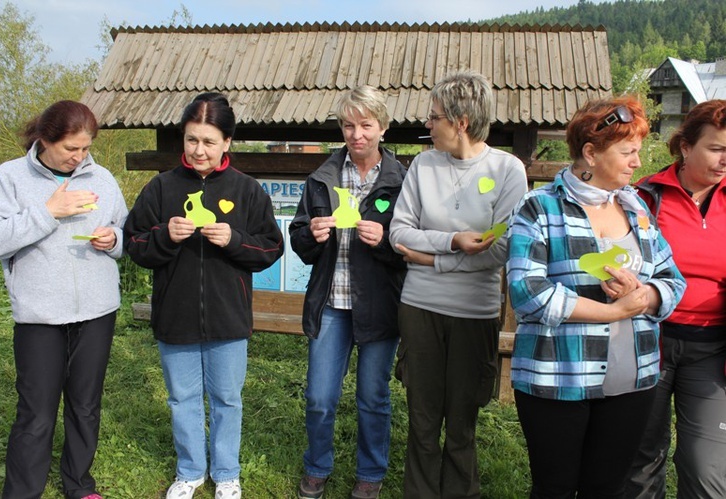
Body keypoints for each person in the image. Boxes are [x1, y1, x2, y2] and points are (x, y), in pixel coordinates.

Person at [506, 96, 687, 498]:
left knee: (607, 488)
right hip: (558, 379)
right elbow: (527, 292)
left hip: (633, 378)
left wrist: (646, 295)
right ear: (591, 152)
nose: (637, 163)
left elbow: (672, 278)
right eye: (627, 152)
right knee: (555, 488)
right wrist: (614, 312)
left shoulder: (637, 207)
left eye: (638, 152)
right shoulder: (539, 208)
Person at [124, 92, 283, 499]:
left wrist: (234, 239)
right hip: (174, 315)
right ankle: (191, 470)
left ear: (227, 142)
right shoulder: (160, 188)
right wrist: (164, 236)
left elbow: (271, 248)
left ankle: (227, 472)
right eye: (192, 140)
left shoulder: (247, 191)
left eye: (209, 142)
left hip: (228, 317)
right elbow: (134, 243)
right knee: (182, 398)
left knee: (227, 399)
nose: (199, 150)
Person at [0, 100, 127, 499]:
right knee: (37, 414)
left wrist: (114, 240)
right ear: (45, 140)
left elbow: (122, 227)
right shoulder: (11, 177)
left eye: (85, 148)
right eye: (70, 149)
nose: (79, 158)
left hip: (97, 311)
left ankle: (79, 485)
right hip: (39, 314)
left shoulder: (103, 177)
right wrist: (47, 211)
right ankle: (23, 492)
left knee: (84, 406)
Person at [389, 70, 528, 498]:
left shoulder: (508, 170)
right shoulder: (422, 165)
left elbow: (501, 249)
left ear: (461, 120)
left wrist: (430, 259)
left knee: (462, 422)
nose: (427, 125)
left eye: (434, 117)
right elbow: (398, 233)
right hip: (420, 309)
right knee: (423, 421)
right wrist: (451, 241)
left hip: (474, 313)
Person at [288, 85, 407, 499]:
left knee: (373, 397)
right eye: (349, 125)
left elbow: (412, 248)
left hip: (378, 306)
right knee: (320, 396)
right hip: (331, 305)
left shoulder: (401, 181)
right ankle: (317, 466)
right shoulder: (321, 178)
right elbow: (299, 241)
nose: (357, 134)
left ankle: (370, 474)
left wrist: (387, 239)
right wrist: (312, 234)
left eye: (366, 125)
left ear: (383, 128)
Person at [625, 99, 726, 498]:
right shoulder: (645, 197)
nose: (724, 160)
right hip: (650, 342)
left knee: (707, 469)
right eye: (716, 148)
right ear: (685, 147)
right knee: (640, 460)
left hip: (713, 351)